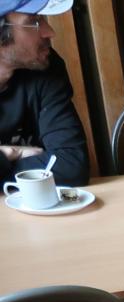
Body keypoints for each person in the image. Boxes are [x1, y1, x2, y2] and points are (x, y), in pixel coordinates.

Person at [0, 0, 88, 186]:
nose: (50, 32)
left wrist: (4, 159)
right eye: (34, 21)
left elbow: (71, 165)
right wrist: (12, 155)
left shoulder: (46, 67)